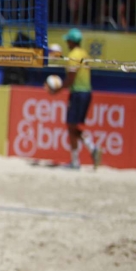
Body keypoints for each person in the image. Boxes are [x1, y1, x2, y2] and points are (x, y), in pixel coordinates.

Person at [52, 28, 102, 169]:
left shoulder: (73, 55)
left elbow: (71, 78)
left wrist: (58, 89)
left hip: (78, 93)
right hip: (86, 92)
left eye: (68, 39)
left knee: (71, 126)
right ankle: (87, 152)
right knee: (72, 126)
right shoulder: (84, 53)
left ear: (72, 41)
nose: (66, 41)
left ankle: (81, 157)